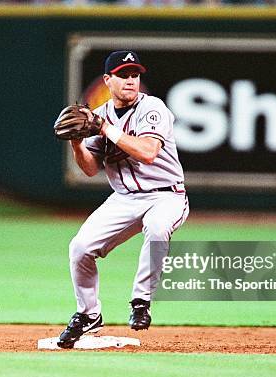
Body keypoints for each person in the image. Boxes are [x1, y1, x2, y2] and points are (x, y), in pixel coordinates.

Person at [57, 50, 189, 349]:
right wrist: (78, 144)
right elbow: (90, 169)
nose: (131, 81)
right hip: (124, 198)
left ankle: (141, 301)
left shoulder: (152, 108)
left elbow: (147, 152)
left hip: (166, 195)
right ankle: (89, 314)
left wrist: (105, 129)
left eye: (135, 75)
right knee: (80, 248)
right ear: (108, 80)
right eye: (123, 75)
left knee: (157, 228)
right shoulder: (99, 115)